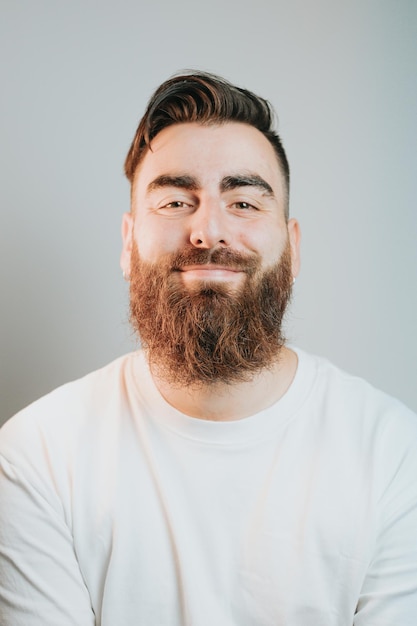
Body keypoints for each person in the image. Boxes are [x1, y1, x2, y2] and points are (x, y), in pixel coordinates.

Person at [0, 71, 416, 626]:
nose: (208, 230)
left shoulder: (393, 456)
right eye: (175, 202)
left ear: (291, 249)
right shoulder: (37, 455)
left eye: (244, 202)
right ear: (128, 242)